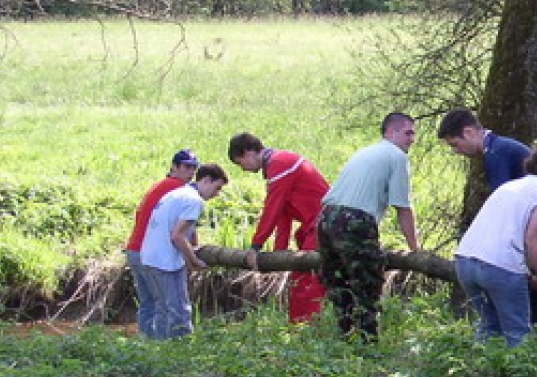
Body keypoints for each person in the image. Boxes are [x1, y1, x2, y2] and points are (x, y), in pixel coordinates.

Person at [437, 107, 537, 331]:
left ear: (470, 132)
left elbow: (527, 231)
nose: (457, 151)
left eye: (455, 144)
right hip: (505, 252)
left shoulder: (498, 153)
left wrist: (536, 268)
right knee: (505, 326)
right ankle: (535, 346)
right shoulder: (496, 151)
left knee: (503, 321)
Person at [317, 113, 421, 342]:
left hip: (326, 218)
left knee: (339, 285)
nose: (412, 139)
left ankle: (344, 341)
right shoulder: (396, 156)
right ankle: (368, 347)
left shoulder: (366, 152)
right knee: (366, 287)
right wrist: (416, 249)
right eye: (408, 133)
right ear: (391, 132)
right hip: (354, 221)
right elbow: (403, 207)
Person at [455, 144, 537, 345]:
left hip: (465, 260)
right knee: (517, 333)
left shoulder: (508, 186)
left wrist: (527, 271)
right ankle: (518, 376)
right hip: (499, 266)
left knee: (488, 327)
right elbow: (532, 238)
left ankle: (478, 374)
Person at [227, 132, 330, 323]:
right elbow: (283, 215)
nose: (243, 169)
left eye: (240, 163)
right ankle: (309, 324)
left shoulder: (280, 164)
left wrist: (256, 246)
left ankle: (304, 328)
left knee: (305, 279)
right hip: (316, 224)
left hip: (324, 223)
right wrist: (278, 255)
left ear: (249, 153)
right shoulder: (280, 165)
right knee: (305, 274)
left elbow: (272, 208)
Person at [138, 162, 229, 339]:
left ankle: (160, 350)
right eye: (217, 188)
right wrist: (193, 260)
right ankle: (183, 352)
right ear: (206, 180)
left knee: (163, 309)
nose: (216, 194)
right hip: (166, 262)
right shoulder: (194, 200)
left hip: (149, 256)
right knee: (180, 310)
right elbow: (177, 236)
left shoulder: (176, 194)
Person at [125, 149, 198, 338]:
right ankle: (166, 350)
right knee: (165, 305)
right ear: (174, 167)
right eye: (186, 167)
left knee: (148, 303)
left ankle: (147, 345)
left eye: (193, 168)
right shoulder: (178, 190)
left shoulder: (160, 186)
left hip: (134, 249)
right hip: (150, 253)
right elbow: (184, 225)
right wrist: (193, 249)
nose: (190, 173)